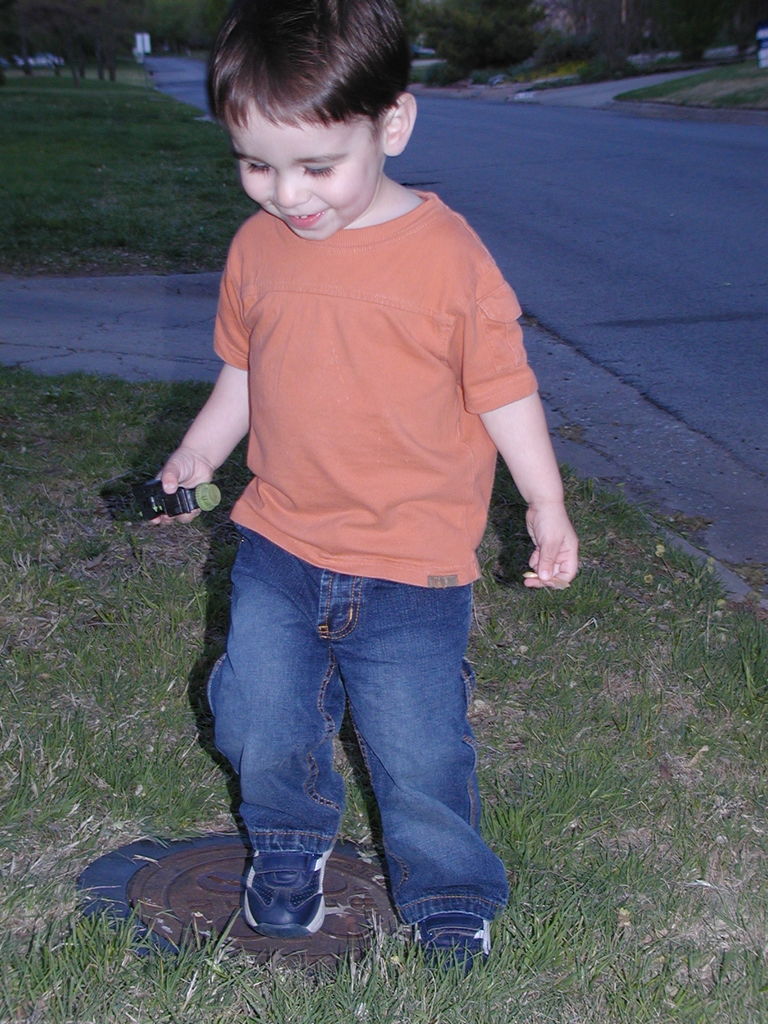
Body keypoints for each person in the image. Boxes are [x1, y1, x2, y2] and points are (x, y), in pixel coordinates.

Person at [155, 0, 579, 970]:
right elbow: (245, 371)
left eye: (316, 166)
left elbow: (506, 388)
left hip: (412, 566)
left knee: (419, 749)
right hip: (280, 541)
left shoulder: (445, 256)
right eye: (255, 163)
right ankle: (291, 851)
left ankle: (450, 891)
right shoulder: (258, 248)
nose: (286, 194)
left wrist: (546, 503)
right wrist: (197, 457)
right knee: (257, 716)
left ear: (392, 125)